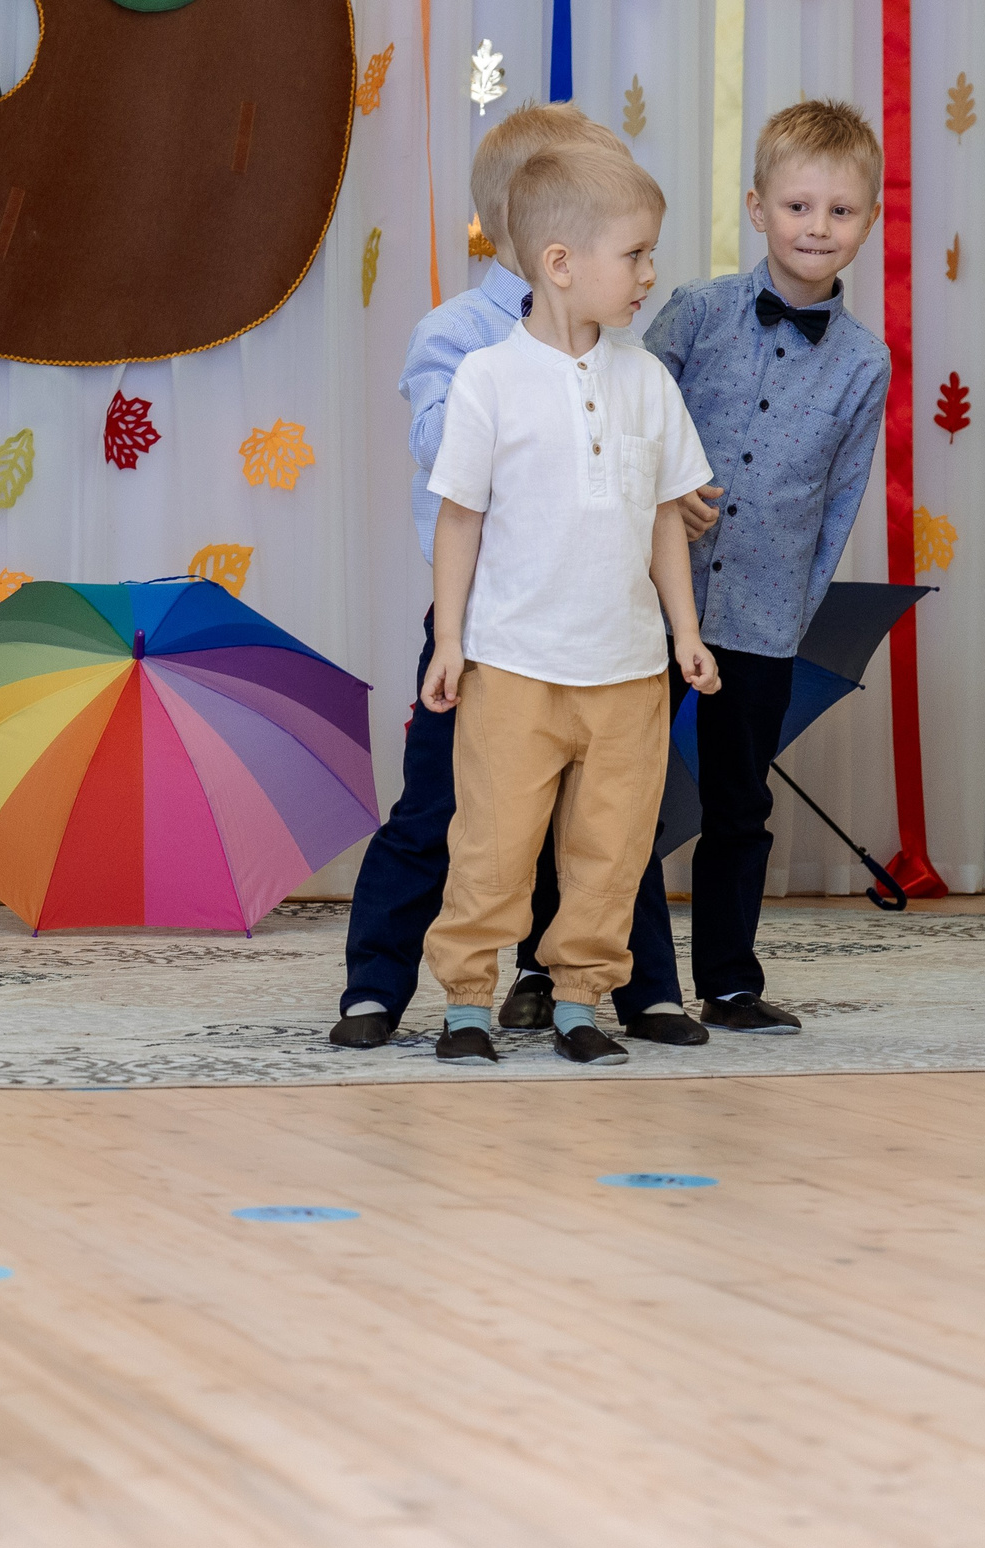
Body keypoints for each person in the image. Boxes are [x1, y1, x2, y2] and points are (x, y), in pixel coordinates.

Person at [331, 104, 662, 1050]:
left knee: (599, 817)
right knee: (446, 808)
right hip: (478, 616)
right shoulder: (459, 335)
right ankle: (378, 985)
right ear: (544, 238)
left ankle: (609, 990)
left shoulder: (619, 342)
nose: (636, 266)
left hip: (593, 613)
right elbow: (443, 454)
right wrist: (514, 383)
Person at [563, 97, 889, 1048]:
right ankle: (579, 970)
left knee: (741, 797)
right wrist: (662, 496)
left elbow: (841, 500)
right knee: (613, 787)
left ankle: (730, 982)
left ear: (867, 222)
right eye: (798, 207)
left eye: (840, 211)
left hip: (761, 612)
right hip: (646, 598)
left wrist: (796, 606)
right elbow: (626, 406)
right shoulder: (700, 310)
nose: (816, 227)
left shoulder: (865, 363)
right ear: (757, 207)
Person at [419, 145, 719, 1064]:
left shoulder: (648, 382)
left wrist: (687, 635)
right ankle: (469, 999)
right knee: (494, 848)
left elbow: (668, 519)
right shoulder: (489, 381)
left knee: (611, 854)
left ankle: (580, 1000)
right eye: (634, 255)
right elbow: (459, 522)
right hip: (513, 667)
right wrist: (449, 644)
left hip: (628, 673)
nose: (648, 274)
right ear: (561, 263)